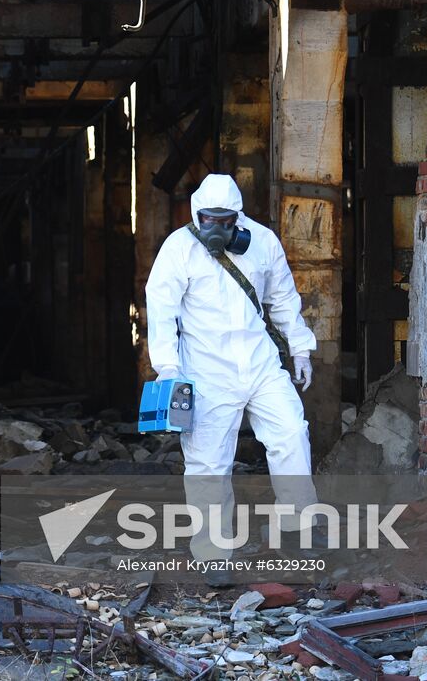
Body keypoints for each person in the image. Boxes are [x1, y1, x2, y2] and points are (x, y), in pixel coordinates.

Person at [144, 173, 318, 576]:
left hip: (259, 364)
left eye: (224, 220)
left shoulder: (263, 242)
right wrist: (168, 368)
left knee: (291, 433)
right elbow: (162, 309)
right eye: (208, 218)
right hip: (206, 371)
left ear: (237, 217)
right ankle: (212, 554)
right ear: (196, 213)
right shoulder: (179, 248)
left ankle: (297, 530)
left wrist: (301, 347)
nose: (215, 228)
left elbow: (283, 298)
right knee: (207, 464)